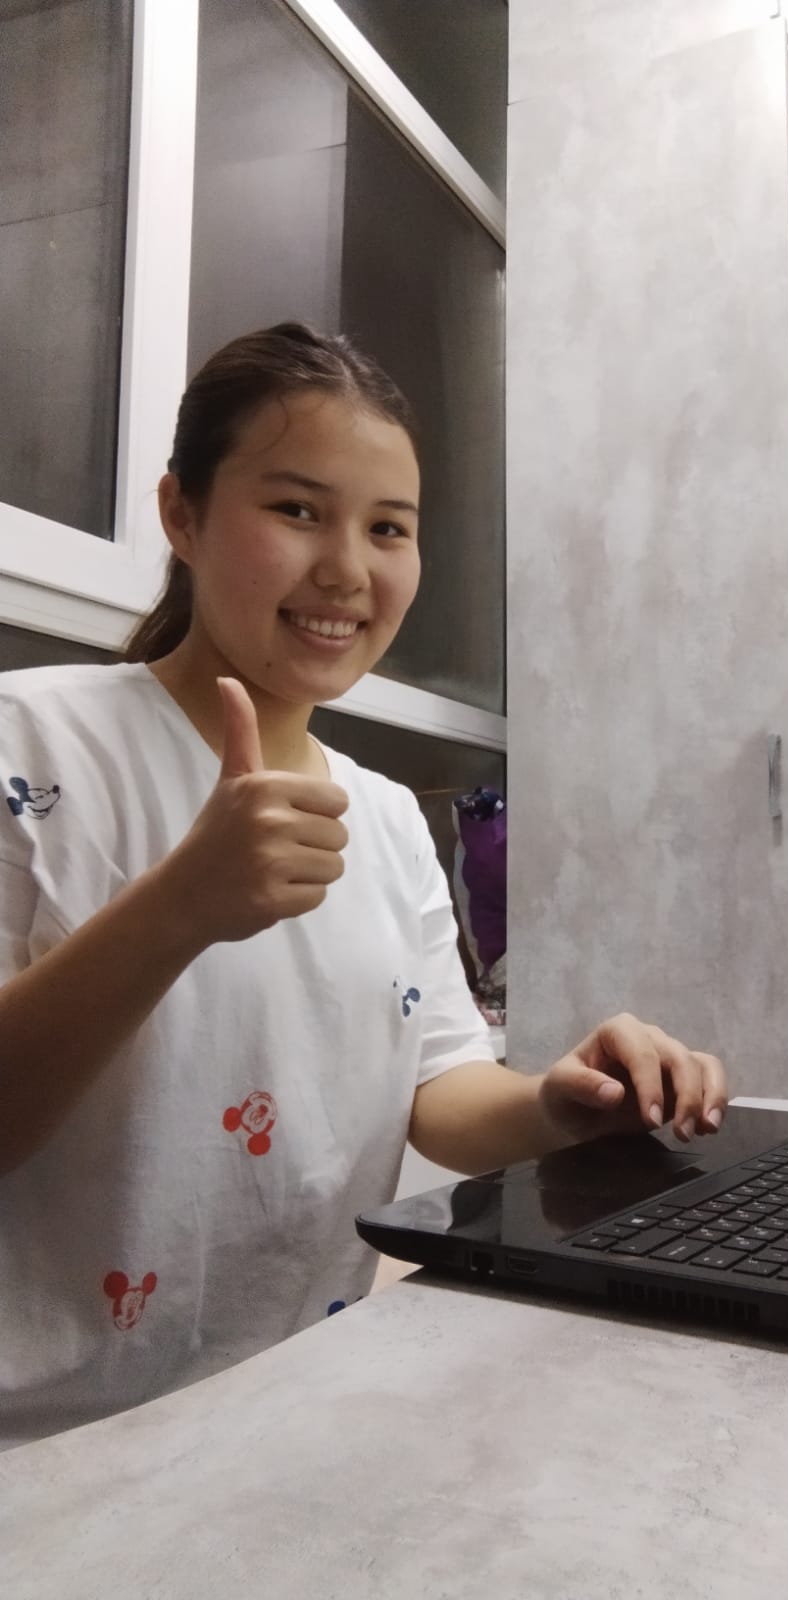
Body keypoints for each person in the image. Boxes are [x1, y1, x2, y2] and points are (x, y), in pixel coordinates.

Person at [0, 323, 727, 1448]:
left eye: (388, 528)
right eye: (298, 509)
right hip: (47, 1451)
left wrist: (559, 1103)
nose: (347, 569)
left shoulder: (385, 818)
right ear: (182, 514)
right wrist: (182, 907)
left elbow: (440, 1087)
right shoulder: (30, 744)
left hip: (295, 1410)